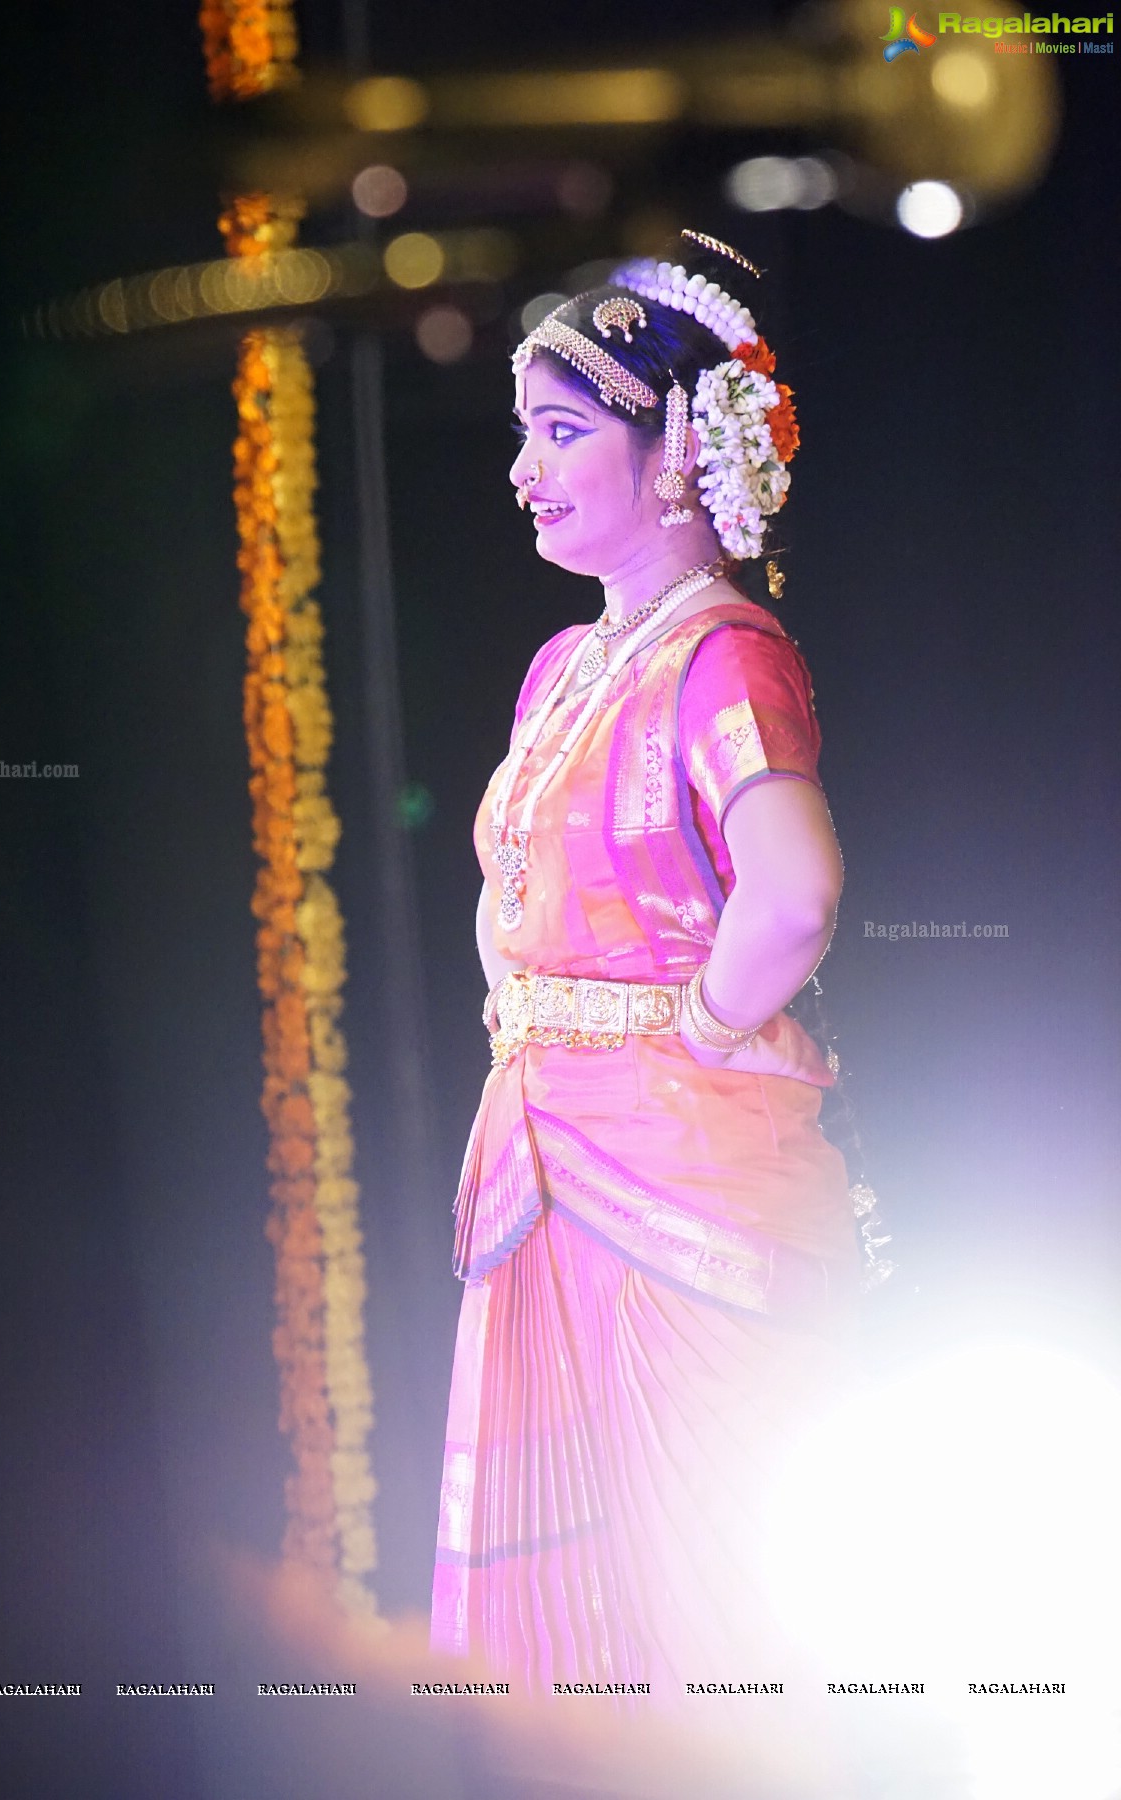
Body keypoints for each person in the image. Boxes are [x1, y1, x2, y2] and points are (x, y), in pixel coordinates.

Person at [429, 231, 865, 1719]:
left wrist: (681, 1034)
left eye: (559, 435)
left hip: (676, 1172)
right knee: (568, 1604)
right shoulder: (564, 666)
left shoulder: (727, 657)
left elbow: (794, 898)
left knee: (702, 1598)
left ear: (679, 450)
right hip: (548, 1162)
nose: (522, 473)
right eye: (521, 436)